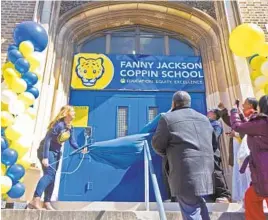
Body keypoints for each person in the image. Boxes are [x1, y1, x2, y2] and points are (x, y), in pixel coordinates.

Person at [152, 91, 214, 220]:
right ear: (189, 103)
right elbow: (214, 143)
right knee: (199, 205)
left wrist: (170, 154)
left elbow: (157, 144)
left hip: (185, 171)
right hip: (206, 170)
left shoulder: (168, 118)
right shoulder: (204, 119)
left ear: (173, 103)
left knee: (191, 211)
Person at [28, 105, 87, 210]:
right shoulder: (58, 125)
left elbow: (72, 142)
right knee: (49, 175)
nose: (74, 114)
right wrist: (45, 157)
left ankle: (47, 202)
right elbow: (47, 140)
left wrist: (80, 149)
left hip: (56, 153)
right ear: (66, 113)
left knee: (52, 177)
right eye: (72, 112)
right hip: (46, 151)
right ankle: (35, 200)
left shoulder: (70, 127)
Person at [230, 95, 268, 220]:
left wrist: (234, 112)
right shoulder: (260, 123)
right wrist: (241, 116)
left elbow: (239, 127)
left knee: (251, 199)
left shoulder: (262, 122)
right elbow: (249, 127)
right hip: (261, 170)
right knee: (251, 197)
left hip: (263, 169)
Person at [207, 109, 231, 203]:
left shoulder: (216, 124)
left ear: (214, 115)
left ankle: (224, 195)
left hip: (213, 152)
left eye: (211, 111)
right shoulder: (206, 123)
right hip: (206, 152)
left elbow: (215, 136)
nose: (208, 111)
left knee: (216, 172)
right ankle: (213, 197)